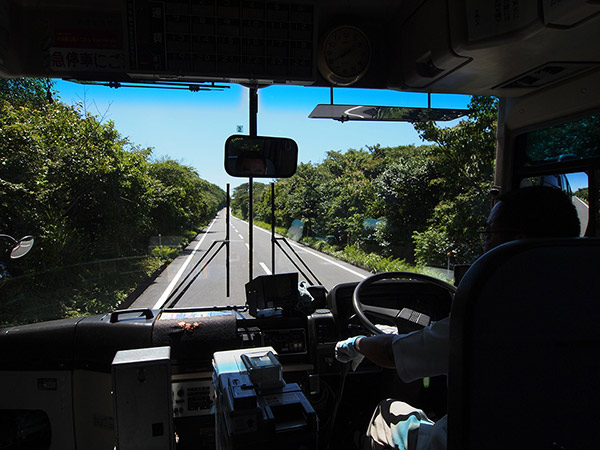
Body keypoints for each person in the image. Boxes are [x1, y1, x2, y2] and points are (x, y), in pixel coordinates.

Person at [335, 185, 581, 450]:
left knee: (386, 413)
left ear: (516, 242)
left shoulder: (490, 317)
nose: (484, 243)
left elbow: (391, 354)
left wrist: (357, 343)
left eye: (488, 234)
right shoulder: (580, 304)